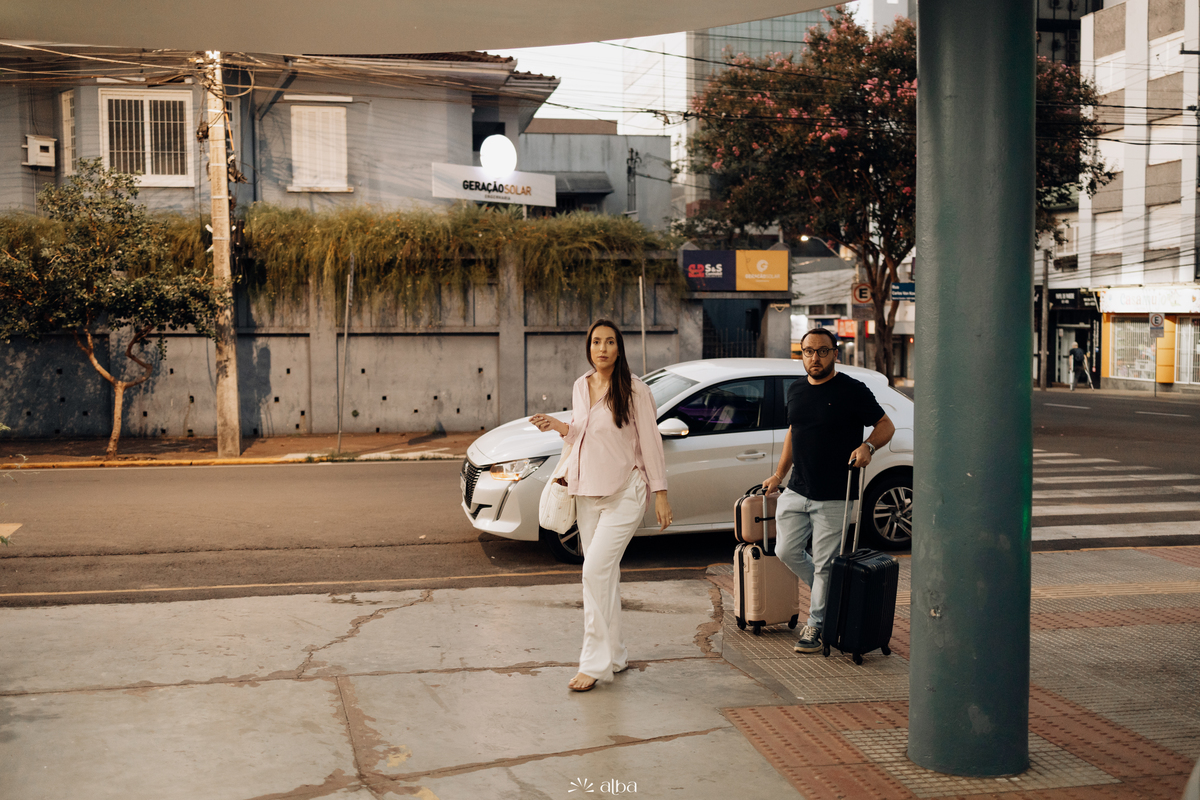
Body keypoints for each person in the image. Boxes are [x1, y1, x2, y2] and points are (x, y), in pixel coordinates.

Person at [530, 319, 672, 692]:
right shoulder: (581, 385)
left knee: (593, 572)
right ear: (588, 347)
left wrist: (660, 492)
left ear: (619, 348)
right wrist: (559, 426)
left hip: (626, 492)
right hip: (587, 492)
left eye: (609, 342)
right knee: (605, 577)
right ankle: (616, 654)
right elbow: (583, 432)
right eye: (596, 342)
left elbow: (651, 442)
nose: (602, 348)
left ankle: (594, 664)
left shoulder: (636, 390)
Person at [762, 328, 895, 654]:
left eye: (823, 351)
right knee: (785, 550)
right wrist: (779, 474)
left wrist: (868, 447)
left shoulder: (852, 390)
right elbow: (794, 431)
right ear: (802, 354)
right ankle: (833, 590)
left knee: (824, 564)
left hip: (836, 493)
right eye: (809, 351)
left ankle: (816, 625)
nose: (815, 357)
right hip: (797, 489)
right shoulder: (795, 389)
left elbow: (885, 425)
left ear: (835, 353)